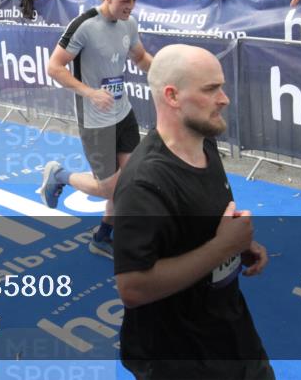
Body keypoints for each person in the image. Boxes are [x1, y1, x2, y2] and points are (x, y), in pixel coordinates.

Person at [113, 44, 271, 380]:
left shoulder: (205, 141)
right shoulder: (146, 181)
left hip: (232, 334)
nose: (224, 98)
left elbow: (202, 224)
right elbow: (133, 287)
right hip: (180, 356)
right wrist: (222, 248)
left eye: (221, 87)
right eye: (211, 89)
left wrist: (239, 246)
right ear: (172, 96)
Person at [39, 0, 153, 259]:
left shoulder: (129, 24)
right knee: (108, 188)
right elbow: (54, 67)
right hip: (95, 118)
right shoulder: (84, 26)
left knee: (129, 182)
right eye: (125, 1)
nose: (130, 7)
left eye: (134, 1)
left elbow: (140, 57)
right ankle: (60, 175)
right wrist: (90, 93)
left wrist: (168, 75)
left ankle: (103, 236)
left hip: (123, 112)